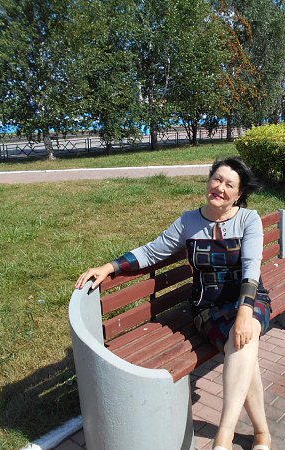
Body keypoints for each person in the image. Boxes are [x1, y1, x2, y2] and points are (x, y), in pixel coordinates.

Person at [75, 157, 272, 450]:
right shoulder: (189, 221)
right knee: (244, 347)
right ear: (209, 180)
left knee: (245, 335)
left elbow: (251, 267)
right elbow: (152, 251)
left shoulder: (248, 220)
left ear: (239, 194)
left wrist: (244, 314)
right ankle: (261, 434)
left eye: (229, 185)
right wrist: (110, 266)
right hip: (208, 308)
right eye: (216, 179)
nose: (220, 188)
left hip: (249, 300)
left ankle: (224, 438)